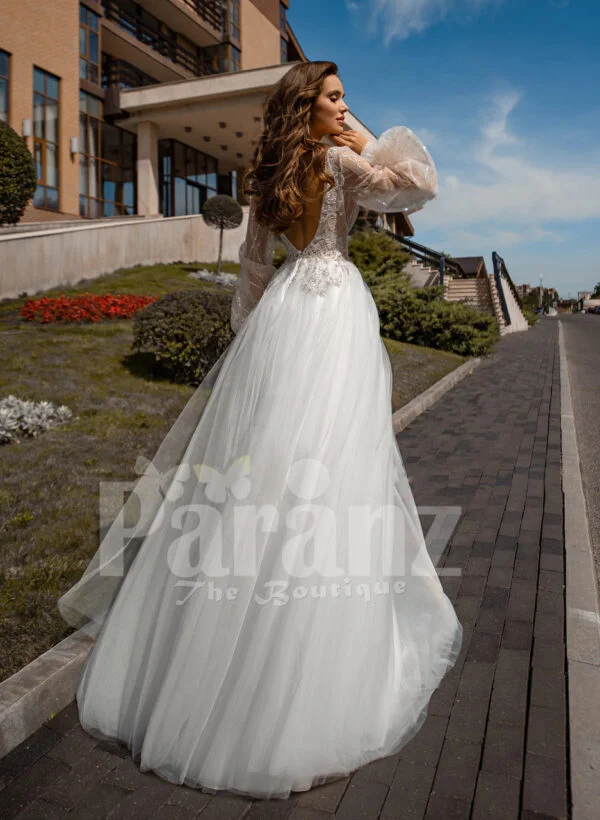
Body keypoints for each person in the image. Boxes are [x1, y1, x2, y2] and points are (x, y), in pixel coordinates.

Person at [57, 61, 463, 801]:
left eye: (346, 100)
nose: (345, 107)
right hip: (334, 312)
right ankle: (299, 676)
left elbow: (251, 270)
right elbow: (419, 185)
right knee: (331, 472)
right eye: (334, 98)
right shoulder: (342, 160)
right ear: (307, 107)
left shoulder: (269, 175)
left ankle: (213, 651)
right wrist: (360, 132)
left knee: (265, 472)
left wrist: (252, 346)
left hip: (284, 320)